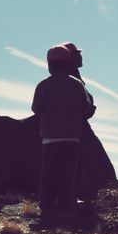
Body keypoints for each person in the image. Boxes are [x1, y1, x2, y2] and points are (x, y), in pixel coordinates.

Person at [31, 42, 95, 220]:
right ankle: (65, 205)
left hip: (50, 137)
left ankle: (46, 204)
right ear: (69, 63)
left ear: (50, 65)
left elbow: (36, 108)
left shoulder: (43, 85)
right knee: (68, 172)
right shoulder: (77, 85)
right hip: (72, 136)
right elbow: (85, 107)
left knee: (49, 171)